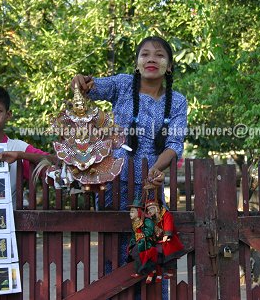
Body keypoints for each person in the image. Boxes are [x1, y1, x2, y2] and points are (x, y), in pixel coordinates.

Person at [71, 36, 188, 209]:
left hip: (150, 183)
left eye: (159, 56)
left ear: (169, 67)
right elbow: (89, 87)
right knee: (112, 233)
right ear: (137, 64)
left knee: (146, 233)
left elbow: (174, 144)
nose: (151, 59)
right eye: (145, 54)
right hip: (113, 181)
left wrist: (155, 170)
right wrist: (79, 81)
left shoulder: (178, 102)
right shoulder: (122, 84)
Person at [146, 198, 185, 279]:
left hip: (168, 239)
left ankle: (170, 271)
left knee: (170, 255)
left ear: (157, 208)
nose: (150, 211)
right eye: (148, 209)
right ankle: (157, 271)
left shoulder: (166, 214)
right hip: (158, 239)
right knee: (156, 254)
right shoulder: (152, 218)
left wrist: (167, 235)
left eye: (152, 208)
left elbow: (168, 224)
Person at [127, 199, 159, 284]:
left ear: (138, 212)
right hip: (139, 242)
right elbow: (134, 234)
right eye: (130, 212)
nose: (130, 214)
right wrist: (133, 241)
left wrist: (142, 235)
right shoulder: (135, 222)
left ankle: (150, 272)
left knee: (139, 253)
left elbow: (149, 231)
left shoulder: (147, 221)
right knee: (133, 252)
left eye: (133, 212)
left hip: (146, 242)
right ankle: (139, 271)